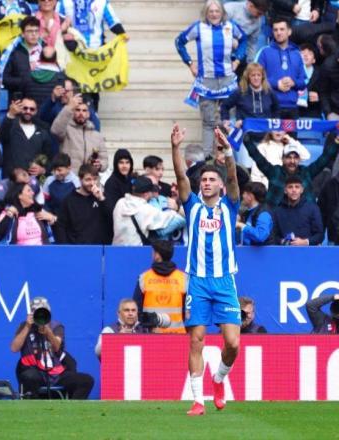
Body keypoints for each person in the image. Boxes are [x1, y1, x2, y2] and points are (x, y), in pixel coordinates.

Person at [170, 123, 241, 416]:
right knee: (196, 339)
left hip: (224, 281)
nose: (207, 183)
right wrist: (175, 147)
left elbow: (235, 177)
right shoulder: (193, 206)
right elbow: (180, 176)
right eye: (205, 180)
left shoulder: (230, 206)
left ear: (220, 186)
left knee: (233, 344)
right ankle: (198, 401)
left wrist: (228, 153)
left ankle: (219, 379)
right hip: (198, 281)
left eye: (212, 179)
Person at [176, 0, 246, 152]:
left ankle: (229, 158)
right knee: (208, 122)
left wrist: (238, 59)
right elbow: (179, 42)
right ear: (206, 13)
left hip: (228, 80)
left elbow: (243, 40)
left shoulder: (231, 26)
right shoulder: (198, 27)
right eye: (211, 11)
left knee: (229, 120)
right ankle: (208, 160)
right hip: (207, 81)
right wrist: (190, 63)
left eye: (217, 11)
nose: (214, 14)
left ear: (222, 13)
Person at [12, 296, 94, 399]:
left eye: (43, 312)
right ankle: (35, 410)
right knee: (30, 377)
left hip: (56, 372)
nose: (40, 316)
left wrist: (48, 332)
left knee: (86, 380)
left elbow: (57, 347)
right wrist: (27, 327)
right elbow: (14, 348)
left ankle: (72, 410)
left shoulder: (56, 326)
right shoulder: (24, 326)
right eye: (37, 312)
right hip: (35, 371)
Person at [244, 127, 339, 207]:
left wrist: (337, 142)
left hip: (304, 219)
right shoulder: (275, 172)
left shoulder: (306, 172)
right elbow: (256, 156)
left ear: (299, 159)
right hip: (276, 218)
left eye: (295, 158)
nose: (292, 161)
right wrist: (245, 138)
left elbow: (325, 158)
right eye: (288, 157)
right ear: (282, 159)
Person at [112, 176, 185, 246]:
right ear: (146, 194)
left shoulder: (120, 203)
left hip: (115, 251)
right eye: (152, 191)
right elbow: (169, 218)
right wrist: (176, 208)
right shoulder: (146, 210)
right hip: (135, 252)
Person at [133, 240, 187, 334]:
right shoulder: (183, 278)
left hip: (150, 336)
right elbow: (188, 312)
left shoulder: (144, 278)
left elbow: (136, 310)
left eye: (153, 252)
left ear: (157, 255)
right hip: (178, 336)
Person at [255, 18, 305, 119]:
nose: (278, 33)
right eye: (275, 30)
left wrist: (293, 83)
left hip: (292, 108)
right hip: (271, 106)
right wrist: (276, 84)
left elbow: (303, 83)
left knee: (290, 136)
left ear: (289, 31)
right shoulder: (264, 52)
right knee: (271, 135)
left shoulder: (297, 54)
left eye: (282, 29)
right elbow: (256, 79)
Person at [50, 94, 107, 174]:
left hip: (90, 180)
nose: (81, 113)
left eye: (84, 111)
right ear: (73, 112)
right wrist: (69, 107)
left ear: (88, 114)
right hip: (69, 180)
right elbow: (55, 130)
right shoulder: (66, 129)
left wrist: (100, 165)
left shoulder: (97, 136)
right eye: (77, 110)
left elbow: (104, 159)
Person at [55, 164, 111, 244]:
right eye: (88, 180)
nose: (92, 183)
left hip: (98, 250)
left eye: (95, 179)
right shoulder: (69, 201)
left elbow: (111, 219)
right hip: (77, 251)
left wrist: (102, 199)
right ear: (80, 180)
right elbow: (60, 227)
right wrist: (66, 250)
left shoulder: (101, 198)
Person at [0, 97, 53, 178]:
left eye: (32, 109)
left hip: (33, 183)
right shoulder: (10, 127)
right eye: (25, 108)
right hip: (11, 181)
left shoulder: (43, 132)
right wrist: (10, 114)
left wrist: (43, 170)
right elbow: (1, 136)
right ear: (20, 109)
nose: (28, 111)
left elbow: (49, 157)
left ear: (36, 111)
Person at [219, 62, 280, 128]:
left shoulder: (269, 92)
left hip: (265, 133)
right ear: (248, 77)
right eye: (253, 75)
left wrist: (274, 123)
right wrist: (226, 120)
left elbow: (276, 109)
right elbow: (224, 106)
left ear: (262, 77)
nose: (256, 78)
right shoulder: (240, 92)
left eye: (259, 75)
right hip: (245, 134)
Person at [271, 175, 324, 245]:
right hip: (285, 252)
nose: (294, 190)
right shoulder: (277, 211)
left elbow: (320, 235)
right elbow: (273, 235)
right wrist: (282, 241)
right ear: (285, 190)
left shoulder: (312, 208)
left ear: (302, 190)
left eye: (297, 187)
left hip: (308, 253)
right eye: (290, 187)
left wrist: (305, 242)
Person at [2, 16, 43, 104]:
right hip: (21, 102)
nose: (34, 34)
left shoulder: (47, 50)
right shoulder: (14, 53)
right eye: (30, 31)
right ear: (23, 34)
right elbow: (5, 80)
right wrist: (27, 73)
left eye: (36, 31)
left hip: (42, 99)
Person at [59, 0, 127, 50]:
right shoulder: (64, 2)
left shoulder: (101, 2)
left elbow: (113, 22)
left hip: (96, 52)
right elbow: (55, 21)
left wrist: (122, 33)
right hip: (71, 53)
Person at [104, 148, 134, 213]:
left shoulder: (132, 179)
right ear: (116, 164)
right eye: (121, 162)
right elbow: (112, 209)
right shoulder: (111, 183)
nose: (124, 166)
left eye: (127, 162)